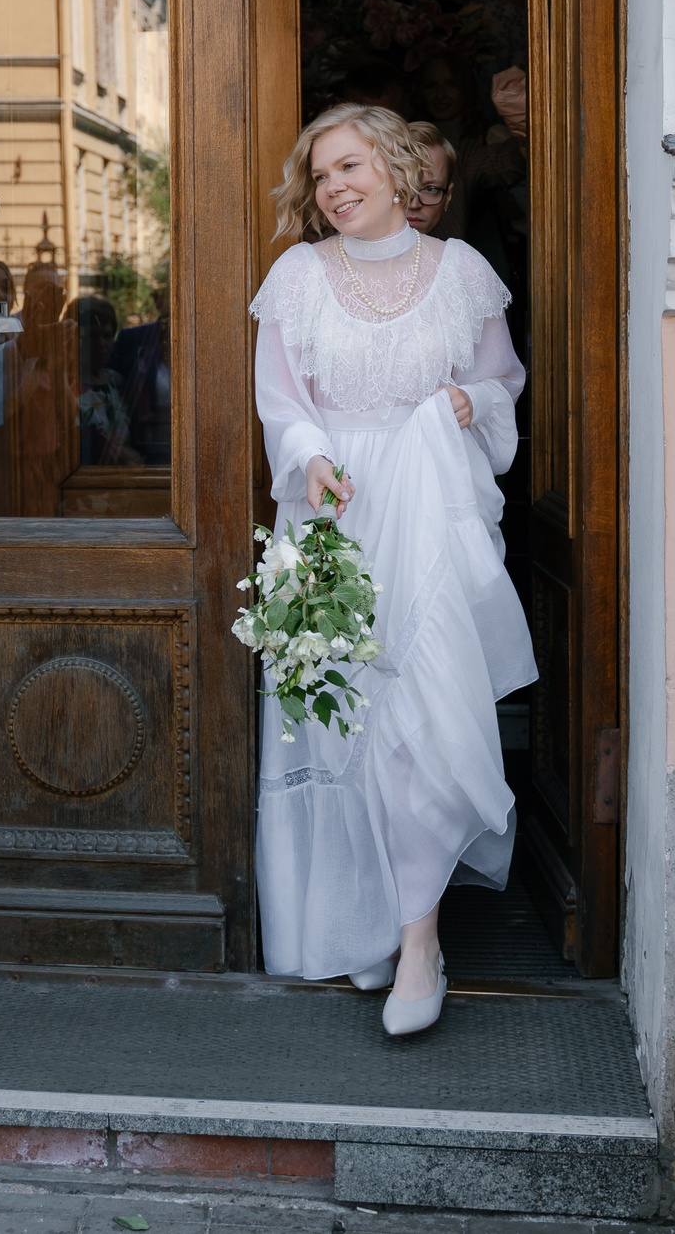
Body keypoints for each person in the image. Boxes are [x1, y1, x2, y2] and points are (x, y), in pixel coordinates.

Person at [249, 102, 535, 1035]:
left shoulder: (461, 274)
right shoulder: (294, 277)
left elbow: (505, 383)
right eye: (321, 174)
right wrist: (309, 455)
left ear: (397, 167)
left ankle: (420, 941)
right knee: (335, 727)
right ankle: (360, 923)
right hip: (329, 518)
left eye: (351, 166)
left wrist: (466, 398)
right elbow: (280, 402)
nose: (335, 186)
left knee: (421, 719)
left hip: (430, 522)